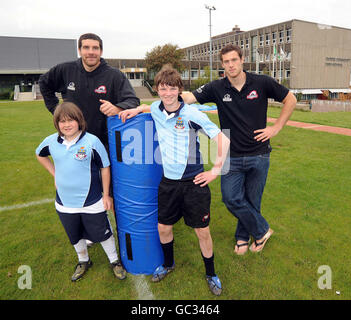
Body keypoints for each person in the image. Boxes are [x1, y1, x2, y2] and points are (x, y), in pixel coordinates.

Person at [119, 65, 230, 296]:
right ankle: (169, 264)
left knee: (202, 232)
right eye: (162, 88)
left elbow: (223, 140)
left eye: (171, 88)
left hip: (194, 184)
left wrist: (215, 171)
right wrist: (135, 110)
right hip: (168, 183)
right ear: (157, 90)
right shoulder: (156, 109)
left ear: (179, 89)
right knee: (163, 227)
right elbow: (148, 107)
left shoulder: (191, 113)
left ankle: (211, 274)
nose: (167, 93)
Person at [182, 44, 297, 255]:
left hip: (259, 154)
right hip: (231, 157)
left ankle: (243, 237)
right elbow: (189, 98)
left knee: (252, 201)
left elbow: (291, 98)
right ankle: (262, 230)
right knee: (231, 198)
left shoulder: (261, 82)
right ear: (222, 64)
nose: (230, 65)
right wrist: (167, 96)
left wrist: (276, 127)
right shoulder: (217, 87)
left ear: (242, 59)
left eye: (234, 60)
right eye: (226, 62)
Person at [39, 33, 139, 254]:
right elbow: (44, 83)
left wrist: (118, 107)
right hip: (75, 144)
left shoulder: (113, 76)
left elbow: (133, 100)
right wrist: (57, 110)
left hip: (105, 145)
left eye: (95, 48)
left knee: (111, 192)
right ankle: (91, 234)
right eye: (86, 47)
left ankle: (122, 232)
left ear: (101, 51)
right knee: (84, 191)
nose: (91, 52)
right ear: (80, 50)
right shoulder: (66, 70)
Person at [35, 102, 126, 281]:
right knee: (74, 234)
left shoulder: (91, 141)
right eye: (62, 121)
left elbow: (105, 167)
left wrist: (106, 195)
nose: (66, 125)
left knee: (103, 233)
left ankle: (114, 261)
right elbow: (40, 154)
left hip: (92, 201)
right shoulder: (51, 141)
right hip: (64, 203)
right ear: (57, 123)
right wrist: (54, 173)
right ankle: (83, 260)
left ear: (79, 121)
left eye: (70, 120)